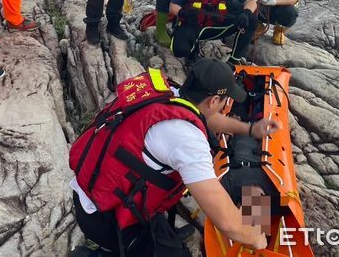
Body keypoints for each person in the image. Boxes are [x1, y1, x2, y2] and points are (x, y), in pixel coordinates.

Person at [69, 59, 278, 256]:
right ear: (214, 100)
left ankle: (163, 236)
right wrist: (256, 238)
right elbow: (228, 222)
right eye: (225, 101)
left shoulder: (171, 93)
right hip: (106, 220)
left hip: (94, 192)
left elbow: (205, 118)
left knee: (165, 234)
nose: (224, 106)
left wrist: (250, 130)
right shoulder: (186, 140)